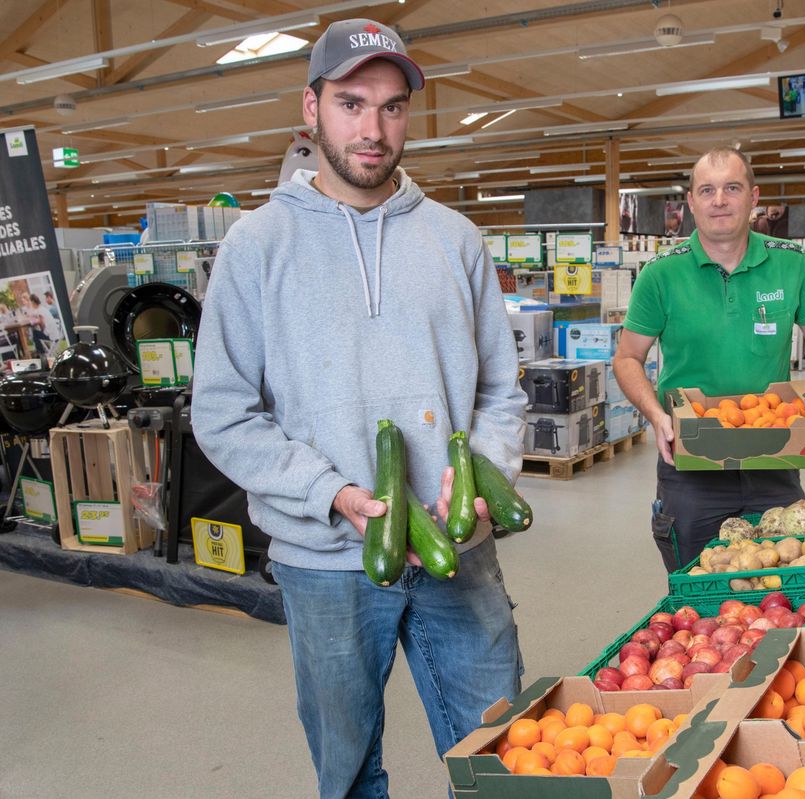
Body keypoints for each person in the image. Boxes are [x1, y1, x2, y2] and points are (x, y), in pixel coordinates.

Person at [190, 18, 527, 799]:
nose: (372, 129)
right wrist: (329, 494)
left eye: (391, 107)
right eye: (350, 103)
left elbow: (501, 392)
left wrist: (484, 482)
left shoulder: (456, 239)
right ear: (311, 108)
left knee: (498, 750)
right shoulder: (256, 245)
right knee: (345, 768)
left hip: (457, 547)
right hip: (324, 560)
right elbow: (224, 411)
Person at [612, 146, 805, 572]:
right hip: (691, 461)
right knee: (697, 586)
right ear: (691, 202)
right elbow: (627, 357)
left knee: (787, 581)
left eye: (732, 188)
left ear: (754, 198)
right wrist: (656, 416)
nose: (719, 200)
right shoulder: (660, 274)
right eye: (708, 190)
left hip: (775, 455)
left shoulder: (791, 264)